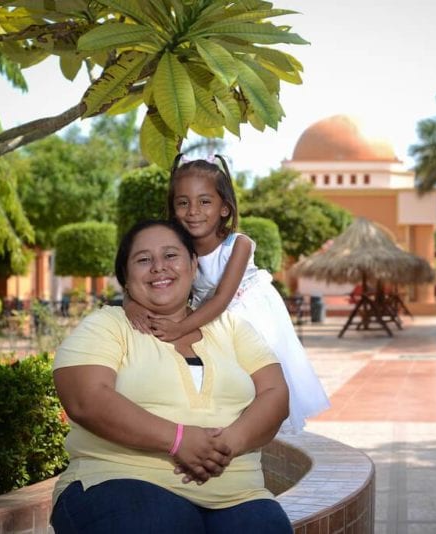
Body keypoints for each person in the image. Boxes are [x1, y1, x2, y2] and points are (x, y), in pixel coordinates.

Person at [50, 219, 292, 533]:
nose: (158, 268)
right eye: (143, 260)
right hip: (121, 480)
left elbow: (275, 392)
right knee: (163, 524)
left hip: (238, 493)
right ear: (125, 275)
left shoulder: (230, 327)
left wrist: (230, 442)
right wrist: (178, 440)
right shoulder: (108, 325)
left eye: (171, 256)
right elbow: (85, 399)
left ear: (193, 265)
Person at [125, 155, 329, 432]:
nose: (193, 210)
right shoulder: (180, 250)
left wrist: (180, 328)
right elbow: (145, 281)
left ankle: (258, 435)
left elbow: (222, 298)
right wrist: (130, 304)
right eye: (183, 203)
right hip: (207, 316)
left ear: (224, 208)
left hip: (247, 314)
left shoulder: (239, 245)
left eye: (205, 201)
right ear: (173, 210)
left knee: (255, 379)